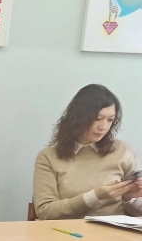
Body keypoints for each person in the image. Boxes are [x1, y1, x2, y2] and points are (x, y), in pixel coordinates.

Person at [33, 84, 142, 220]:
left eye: (110, 120)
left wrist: (129, 198)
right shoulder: (48, 157)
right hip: (68, 232)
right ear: (78, 118)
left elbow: (138, 213)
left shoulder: (124, 151)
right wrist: (94, 196)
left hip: (115, 231)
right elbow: (45, 212)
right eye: (97, 119)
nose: (103, 127)